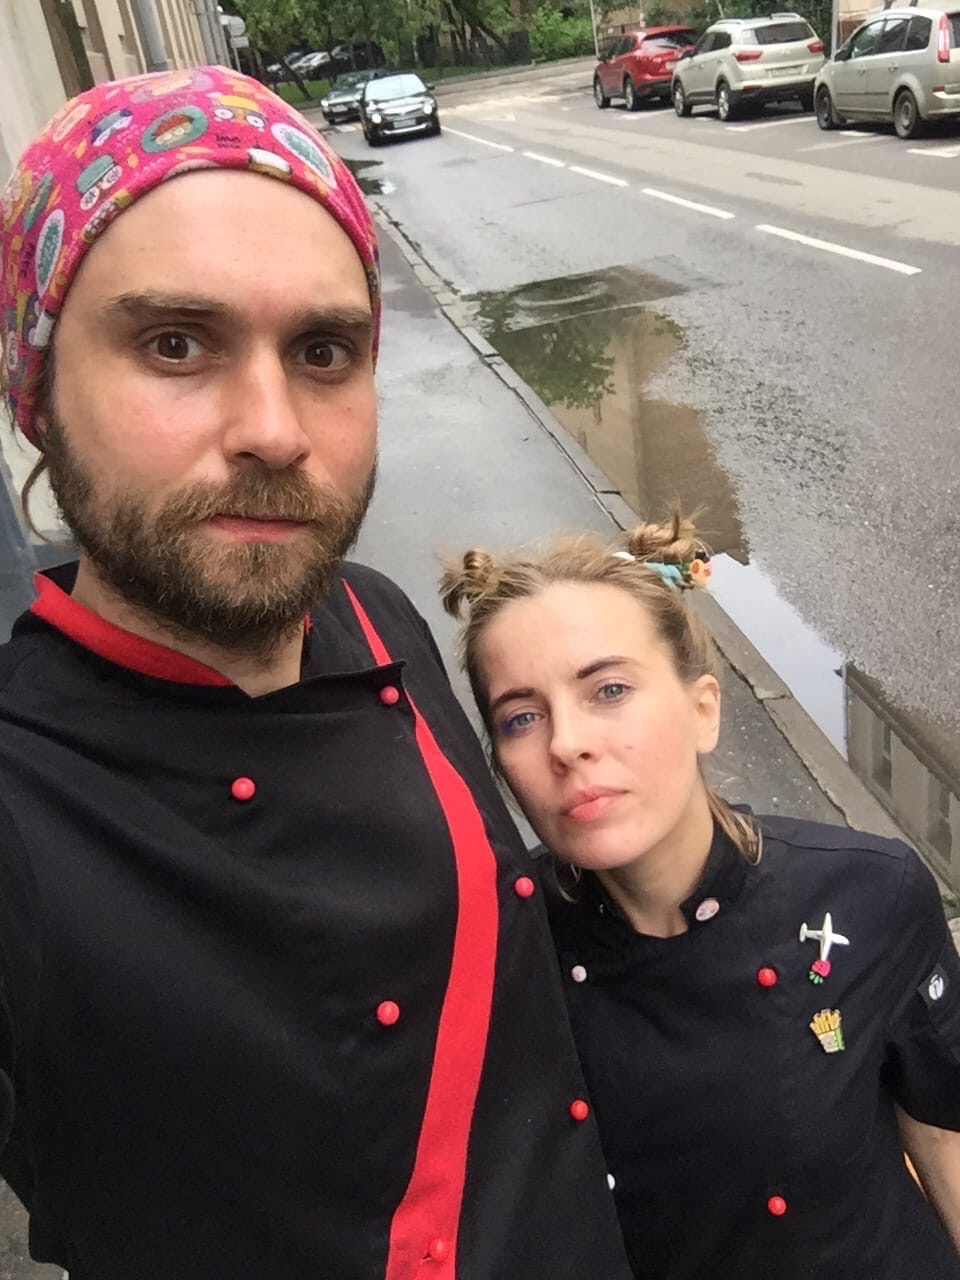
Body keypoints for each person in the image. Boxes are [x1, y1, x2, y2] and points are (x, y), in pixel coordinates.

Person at [0, 68, 634, 1280]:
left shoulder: (375, 610)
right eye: (175, 343)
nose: (275, 429)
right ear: (35, 388)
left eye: (325, 350)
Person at [441, 512, 960, 1280]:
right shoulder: (497, 953)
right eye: (521, 716)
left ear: (704, 710)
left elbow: (944, 1134)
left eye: (609, 689)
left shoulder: (870, 896)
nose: (566, 743)